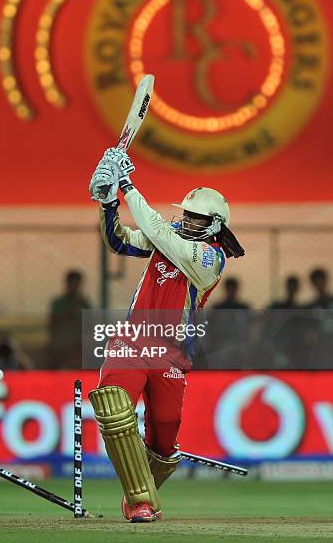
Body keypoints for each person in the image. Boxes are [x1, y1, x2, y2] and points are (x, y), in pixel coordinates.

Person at [88, 148, 244, 523]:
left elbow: (158, 232)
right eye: (186, 214)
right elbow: (120, 241)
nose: (187, 221)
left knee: (163, 444)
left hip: (171, 353)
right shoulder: (169, 236)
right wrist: (108, 202)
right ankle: (141, 502)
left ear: (215, 225)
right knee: (114, 407)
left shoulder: (211, 259)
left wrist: (126, 184)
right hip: (131, 341)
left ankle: (138, 491)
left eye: (196, 218)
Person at [48, 270, 91, 369]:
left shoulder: (84, 304)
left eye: (77, 284)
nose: (75, 287)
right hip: (62, 344)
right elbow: (53, 324)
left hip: (79, 345)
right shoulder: (58, 303)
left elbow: (90, 326)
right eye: (72, 283)